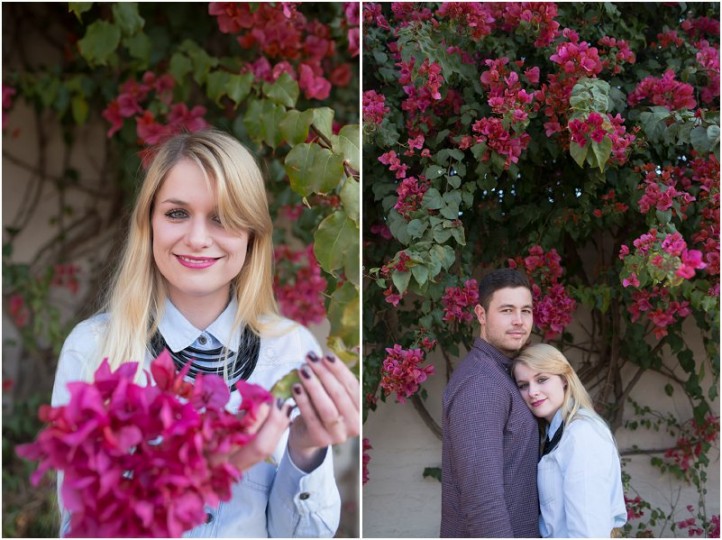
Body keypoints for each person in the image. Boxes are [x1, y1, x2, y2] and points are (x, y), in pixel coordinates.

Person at [51, 129, 359, 537]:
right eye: (177, 213)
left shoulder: (291, 350)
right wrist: (210, 472)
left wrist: (305, 450)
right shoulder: (92, 348)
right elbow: (81, 527)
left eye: (222, 217)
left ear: (251, 233)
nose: (197, 239)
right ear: (149, 223)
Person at [441, 269, 540, 537]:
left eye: (526, 311)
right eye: (507, 310)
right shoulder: (480, 384)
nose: (519, 320)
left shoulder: (501, 373)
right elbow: (482, 502)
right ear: (481, 315)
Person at [512, 343, 627, 537]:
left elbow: (588, 530)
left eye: (541, 379)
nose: (532, 392)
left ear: (564, 379)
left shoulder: (581, 434)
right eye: (523, 385)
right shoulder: (555, 434)